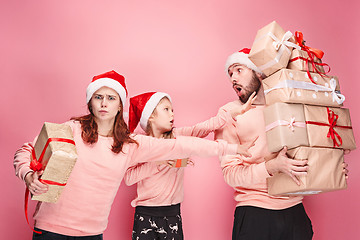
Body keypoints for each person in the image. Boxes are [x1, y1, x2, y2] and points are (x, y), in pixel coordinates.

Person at [14, 70, 248, 240]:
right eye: (98, 97)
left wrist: (232, 149)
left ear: (119, 106)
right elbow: (27, 151)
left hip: (92, 234)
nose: (104, 103)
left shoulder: (131, 145)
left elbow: (186, 145)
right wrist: (27, 174)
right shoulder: (72, 129)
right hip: (50, 230)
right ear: (90, 103)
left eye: (111, 98)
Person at [124, 91, 256, 240]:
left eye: (173, 110)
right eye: (166, 109)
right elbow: (129, 178)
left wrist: (231, 114)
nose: (172, 114)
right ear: (151, 116)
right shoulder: (141, 145)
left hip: (172, 214)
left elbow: (202, 128)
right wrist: (158, 162)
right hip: (145, 215)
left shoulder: (178, 137)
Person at [214, 48, 314, 240]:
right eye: (230, 73)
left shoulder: (286, 106)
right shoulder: (229, 113)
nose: (233, 78)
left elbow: (308, 150)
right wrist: (271, 166)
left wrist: (330, 166)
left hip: (295, 211)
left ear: (258, 72)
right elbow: (230, 174)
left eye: (239, 70)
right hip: (255, 213)